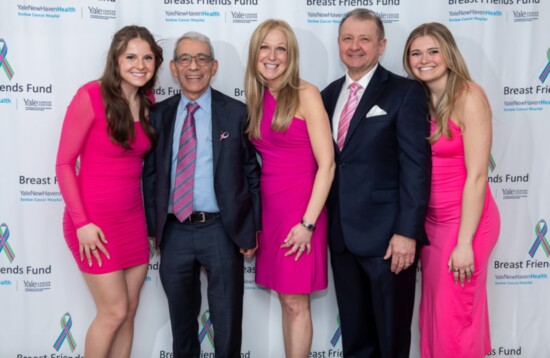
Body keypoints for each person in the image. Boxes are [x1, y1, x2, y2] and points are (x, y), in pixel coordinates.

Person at [142, 31, 261, 358]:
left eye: (202, 59)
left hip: (222, 229)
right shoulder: (159, 115)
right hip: (174, 230)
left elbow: (252, 173)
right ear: (175, 69)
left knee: (227, 321)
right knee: (181, 323)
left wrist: (252, 228)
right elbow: (150, 174)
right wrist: (154, 227)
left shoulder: (236, 112)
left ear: (214, 66)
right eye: (184, 59)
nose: (194, 66)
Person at [321, 9, 432, 358]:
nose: (355, 47)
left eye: (364, 39)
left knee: (391, 339)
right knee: (356, 340)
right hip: (341, 237)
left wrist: (407, 232)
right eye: (348, 39)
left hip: (388, 240)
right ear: (339, 44)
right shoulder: (327, 95)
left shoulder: (405, 92)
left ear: (381, 45)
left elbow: (416, 167)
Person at [55, 26, 163, 357]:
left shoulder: (148, 101)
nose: (140, 65)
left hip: (132, 223)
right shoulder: (91, 96)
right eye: (131, 56)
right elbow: (63, 164)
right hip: (94, 223)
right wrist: (82, 223)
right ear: (116, 60)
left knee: (128, 312)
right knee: (113, 311)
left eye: (147, 58)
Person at [403, 22, 501, 358]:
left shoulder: (469, 97)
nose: (424, 59)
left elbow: (477, 176)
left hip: (466, 224)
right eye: (416, 53)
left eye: (433, 51)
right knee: (435, 319)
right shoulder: (418, 99)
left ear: (448, 55)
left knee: (455, 319)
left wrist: (464, 243)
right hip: (432, 225)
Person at [244, 19, 335, 357]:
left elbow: (327, 165)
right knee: (287, 300)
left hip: (302, 210)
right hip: (271, 211)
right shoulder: (258, 97)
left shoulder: (306, 94)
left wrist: (308, 223)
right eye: (265, 48)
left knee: (297, 303)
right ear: (255, 55)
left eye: (280, 48)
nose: (272, 56)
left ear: (291, 55)